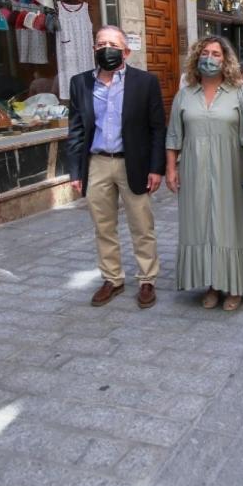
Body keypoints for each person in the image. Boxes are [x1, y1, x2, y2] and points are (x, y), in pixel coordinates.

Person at [67, 26, 166, 308]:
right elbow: (75, 130)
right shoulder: (80, 83)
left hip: (132, 163)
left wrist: (155, 167)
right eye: (100, 44)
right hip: (96, 163)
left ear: (126, 51)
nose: (105, 48)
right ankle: (112, 278)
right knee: (103, 225)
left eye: (112, 44)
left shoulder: (145, 82)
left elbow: (158, 128)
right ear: (94, 49)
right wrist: (75, 171)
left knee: (142, 224)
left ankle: (147, 279)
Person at [165, 36, 243, 310]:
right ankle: (211, 283)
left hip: (233, 167)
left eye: (216, 54)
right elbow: (174, 134)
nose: (210, 58)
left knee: (231, 226)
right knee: (201, 225)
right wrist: (172, 168)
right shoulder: (185, 94)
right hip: (195, 169)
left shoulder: (240, 92)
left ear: (225, 59)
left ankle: (235, 286)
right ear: (197, 57)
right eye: (205, 53)